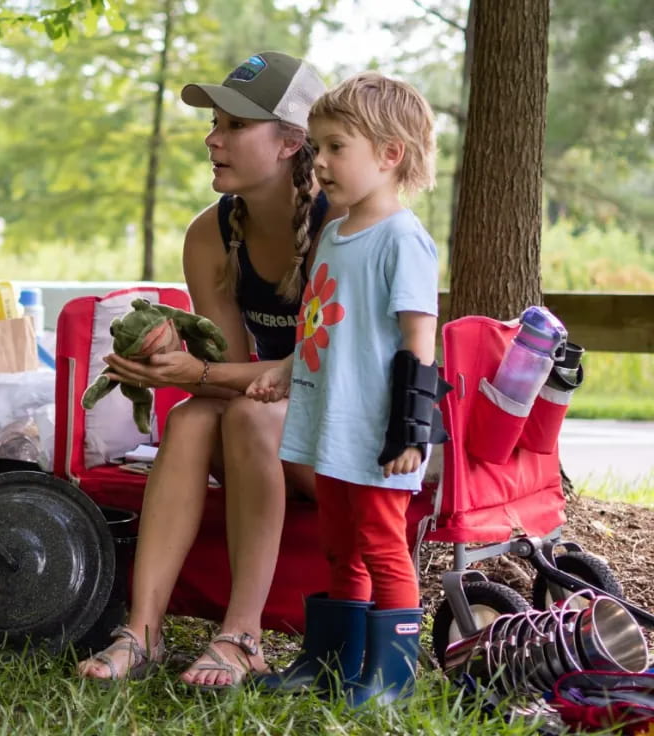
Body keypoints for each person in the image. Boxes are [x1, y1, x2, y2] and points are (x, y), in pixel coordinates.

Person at [76, 51, 345, 687]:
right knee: (197, 420)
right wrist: (181, 365)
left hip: (346, 442)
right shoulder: (209, 234)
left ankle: (241, 637)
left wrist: (191, 372)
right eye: (214, 123)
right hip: (279, 423)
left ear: (289, 143)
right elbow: (230, 368)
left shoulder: (346, 227)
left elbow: (327, 372)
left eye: (233, 127)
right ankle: (142, 630)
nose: (212, 139)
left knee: (246, 414)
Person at [247, 71, 448, 703]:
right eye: (319, 147)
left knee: (382, 546)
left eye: (337, 147)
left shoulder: (403, 239)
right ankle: (334, 663)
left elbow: (420, 339)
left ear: (390, 155)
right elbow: (323, 324)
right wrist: (284, 369)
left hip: (379, 431)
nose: (321, 161)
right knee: (339, 545)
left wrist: (412, 430)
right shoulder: (334, 234)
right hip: (332, 425)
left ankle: (392, 680)